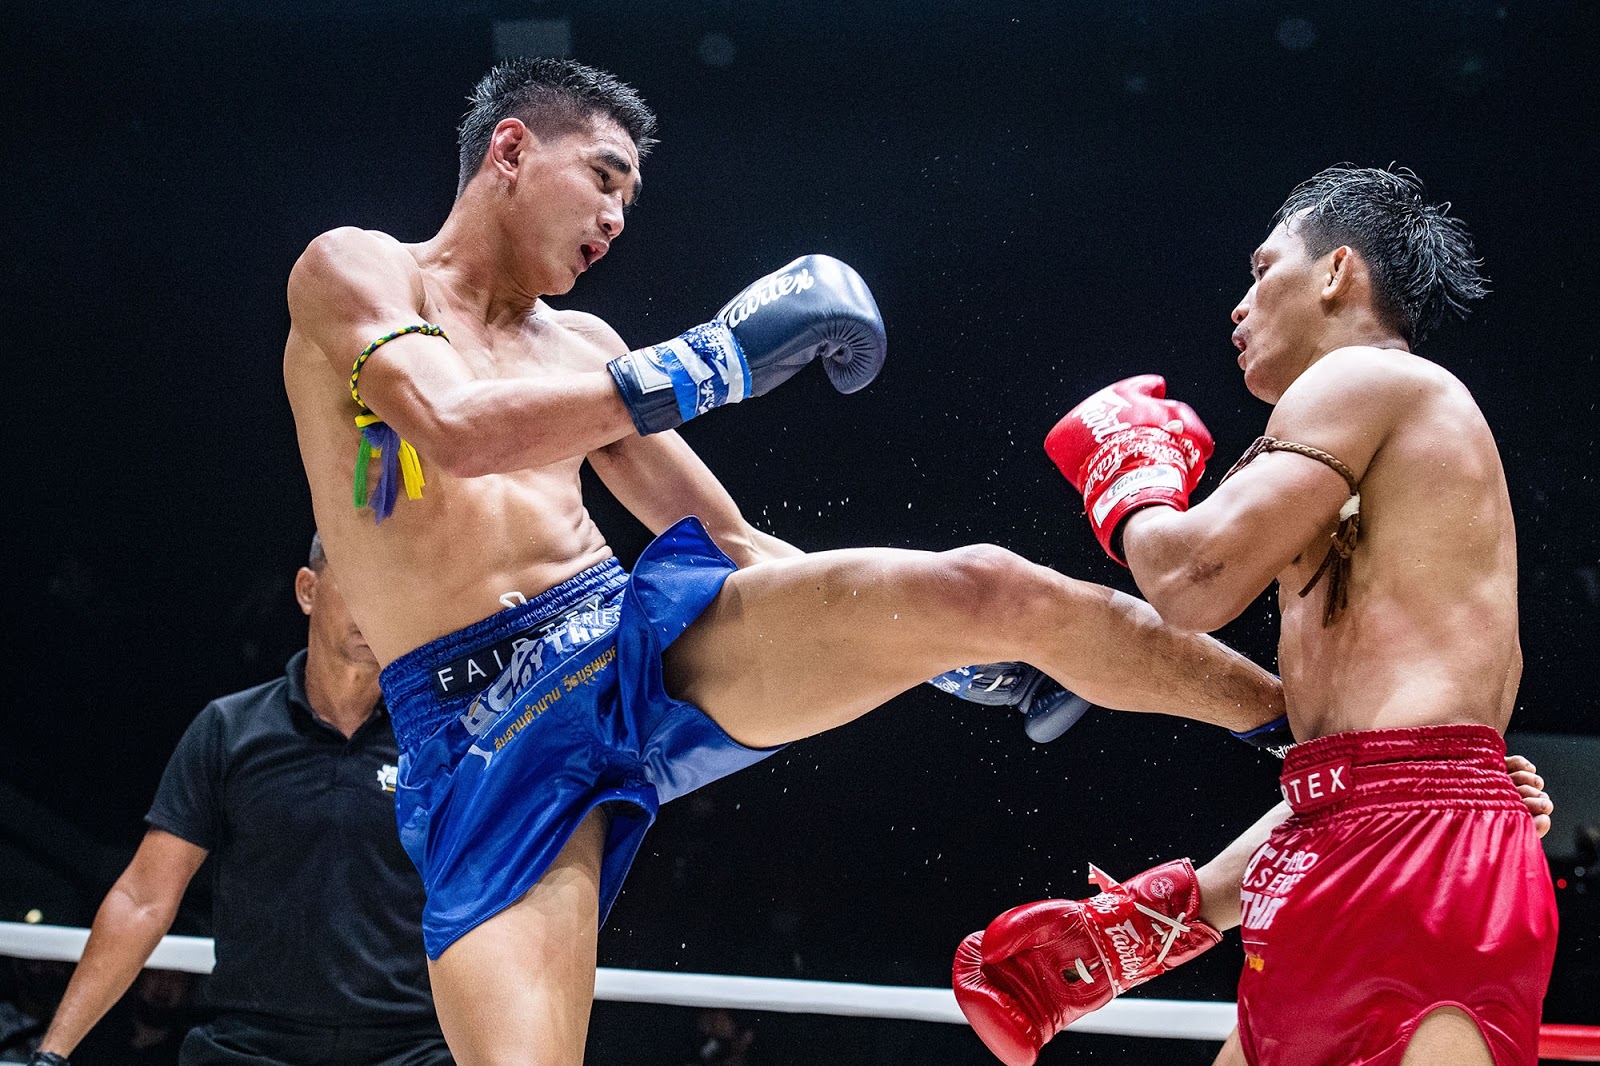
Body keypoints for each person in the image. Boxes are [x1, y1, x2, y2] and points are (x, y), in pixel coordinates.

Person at [281, 57, 1291, 1064]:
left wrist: (933, 655)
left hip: (626, 642)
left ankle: (1297, 728)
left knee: (982, 585)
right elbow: (456, 427)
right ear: (511, 149)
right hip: (476, 730)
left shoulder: (582, 345)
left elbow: (732, 542)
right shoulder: (358, 269)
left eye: (630, 198)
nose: (617, 218)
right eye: (603, 177)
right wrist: (711, 360)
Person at [953, 165, 1559, 1066]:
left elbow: (1190, 581)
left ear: (1337, 272)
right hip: (1352, 836)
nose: (1238, 306)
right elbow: (1355, 776)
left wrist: (1128, 480)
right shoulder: (1369, 429)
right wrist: (1153, 922)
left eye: (1263, 269)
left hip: (1418, 856)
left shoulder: (1365, 376)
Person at [27, 535, 451, 1066]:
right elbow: (143, 899)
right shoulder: (230, 729)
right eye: (358, 582)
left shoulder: (439, 738)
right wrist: (53, 1054)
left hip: (411, 1048)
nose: (375, 605)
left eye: (393, 590)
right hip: (251, 1045)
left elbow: (490, 896)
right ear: (307, 590)